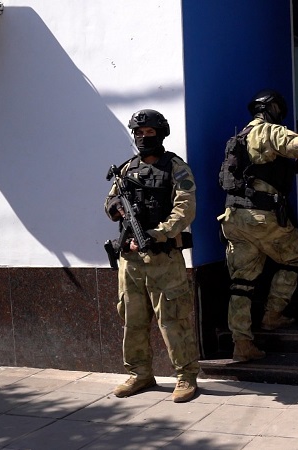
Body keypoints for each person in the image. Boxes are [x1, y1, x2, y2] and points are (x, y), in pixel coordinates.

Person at [218, 89, 298, 361]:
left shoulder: (240, 137)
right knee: (294, 251)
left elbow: (286, 166)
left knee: (242, 283)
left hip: (233, 218)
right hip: (261, 217)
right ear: (273, 108)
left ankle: (241, 343)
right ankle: (273, 314)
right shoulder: (268, 131)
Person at [104, 109, 200, 403]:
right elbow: (109, 202)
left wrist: (157, 234)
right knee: (132, 320)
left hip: (163, 258)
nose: (143, 138)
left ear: (160, 134)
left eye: (149, 132)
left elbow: (185, 209)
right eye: (138, 133)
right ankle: (140, 374)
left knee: (173, 319)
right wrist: (115, 208)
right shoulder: (125, 170)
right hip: (130, 261)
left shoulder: (176, 168)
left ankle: (186, 376)